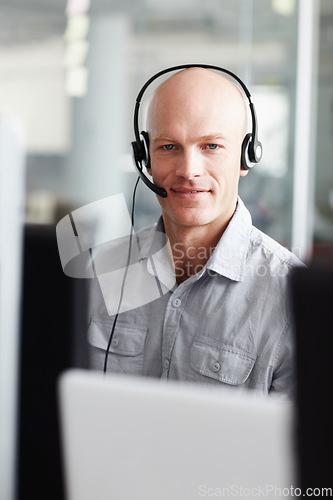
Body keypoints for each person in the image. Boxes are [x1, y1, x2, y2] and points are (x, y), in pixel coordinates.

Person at [88, 67, 302, 397]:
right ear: (144, 157)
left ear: (246, 156)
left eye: (211, 146)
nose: (189, 171)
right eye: (169, 147)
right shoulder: (105, 269)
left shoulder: (291, 299)